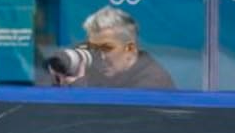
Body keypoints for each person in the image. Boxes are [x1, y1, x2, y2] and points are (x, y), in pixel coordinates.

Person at [47, 6, 175, 89]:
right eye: (94, 47)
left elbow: (115, 125)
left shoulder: (154, 81)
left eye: (107, 48)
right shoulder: (92, 57)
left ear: (130, 48)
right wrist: (58, 79)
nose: (100, 56)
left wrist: (79, 90)